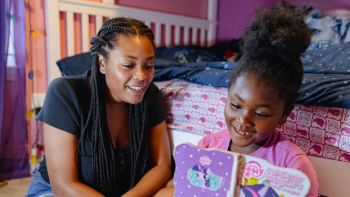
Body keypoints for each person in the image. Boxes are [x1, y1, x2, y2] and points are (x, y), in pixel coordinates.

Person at [156, 8, 319, 197]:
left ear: (284, 114)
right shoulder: (208, 146)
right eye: (236, 105)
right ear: (228, 95)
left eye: (260, 114)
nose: (244, 120)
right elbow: (181, 185)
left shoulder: (292, 165)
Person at [25, 17, 172, 197]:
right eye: (128, 65)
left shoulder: (151, 95)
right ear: (102, 63)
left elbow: (162, 166)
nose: (142, 76)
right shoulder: (65, 93)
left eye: (149, 65)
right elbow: (63, 186)